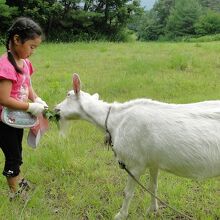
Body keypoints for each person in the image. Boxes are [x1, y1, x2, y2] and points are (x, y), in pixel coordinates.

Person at [0, 17, 48, 200]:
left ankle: (18, 180)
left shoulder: (25, 62)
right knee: (13, 155)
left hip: (16, 118)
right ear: (17, 39)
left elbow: (27, 85)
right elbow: (4, 99)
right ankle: (17, 193)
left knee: (17, 151)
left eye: (36, 48)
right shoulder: (5, 66)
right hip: (3, 120)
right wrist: (30, 106)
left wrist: (36, 98)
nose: (33, 52)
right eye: (31, 46)